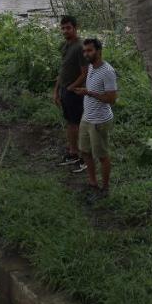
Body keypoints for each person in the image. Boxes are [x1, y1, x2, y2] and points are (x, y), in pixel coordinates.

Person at [72, 37, 117, 192]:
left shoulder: (108, 72)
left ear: (98, 51)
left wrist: (88, 93)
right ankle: (92, 182)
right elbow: (92, 89)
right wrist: (84, 91)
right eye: (84, 51)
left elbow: (111, 99)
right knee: (85, 151)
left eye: (89, 50)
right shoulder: (91, 67)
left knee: (102, 155)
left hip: (100, 120)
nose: (86, 54)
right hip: (87, 117)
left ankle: (105, 188)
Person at [52, 15, 85, 167]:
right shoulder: (66, 45)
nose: (65, 31)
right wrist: (56, 91)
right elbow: (63, 70)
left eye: (68, 28)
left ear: (75, 28)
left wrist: (72, 87)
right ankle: (73, 151)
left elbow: (85, 72)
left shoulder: (80, 47)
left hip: (74, 92)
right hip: (65, 90)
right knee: (70, 123)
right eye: (63, 28)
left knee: (76, 123)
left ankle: (80, 154)